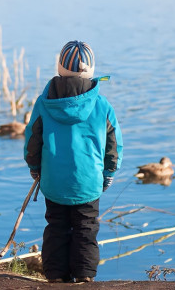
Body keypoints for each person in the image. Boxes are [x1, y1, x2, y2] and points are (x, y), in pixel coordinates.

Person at [23, 40, 123, 283]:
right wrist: (109, 173)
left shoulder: (44, 102)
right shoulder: (102, 105)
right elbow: (114, 145)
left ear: (59, 67)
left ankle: (56, 277)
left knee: (56, 227)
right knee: (86, 228)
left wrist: (35, 168)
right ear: (91, 70)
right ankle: (85, 276)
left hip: (54, 181)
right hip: (88, 182)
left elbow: (32, 141)